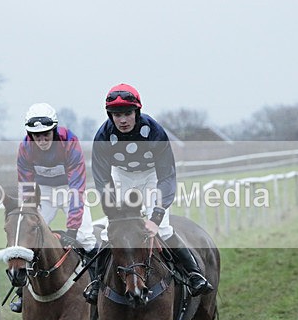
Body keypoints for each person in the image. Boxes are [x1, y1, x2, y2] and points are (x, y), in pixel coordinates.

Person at [85, 83, 213, 303]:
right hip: (122, 176)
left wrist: (154, 218)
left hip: (152, 175)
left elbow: (167, 177)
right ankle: (97, 282)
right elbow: (102, 179)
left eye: (127, 113)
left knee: (162, 228)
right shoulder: (103, 136)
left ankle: (194, 275)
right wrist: (114, 214)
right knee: (109, 232)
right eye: (117, 115)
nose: (123, 120)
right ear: (110, 116)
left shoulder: (154, 132)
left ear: (137, 112)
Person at [8, 102, 97, 313]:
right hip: (43, 193)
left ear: (54, 130)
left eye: (46, 134)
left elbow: (77, 187)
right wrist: (29, 216)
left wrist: (72, 230)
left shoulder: (69, 141)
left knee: (86, 239)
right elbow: (27, 189)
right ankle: (22, 293)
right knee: (28, 239)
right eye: (36, 136)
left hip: (69, 190)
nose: (42, 140)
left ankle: (97, 288)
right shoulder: (25, 148)